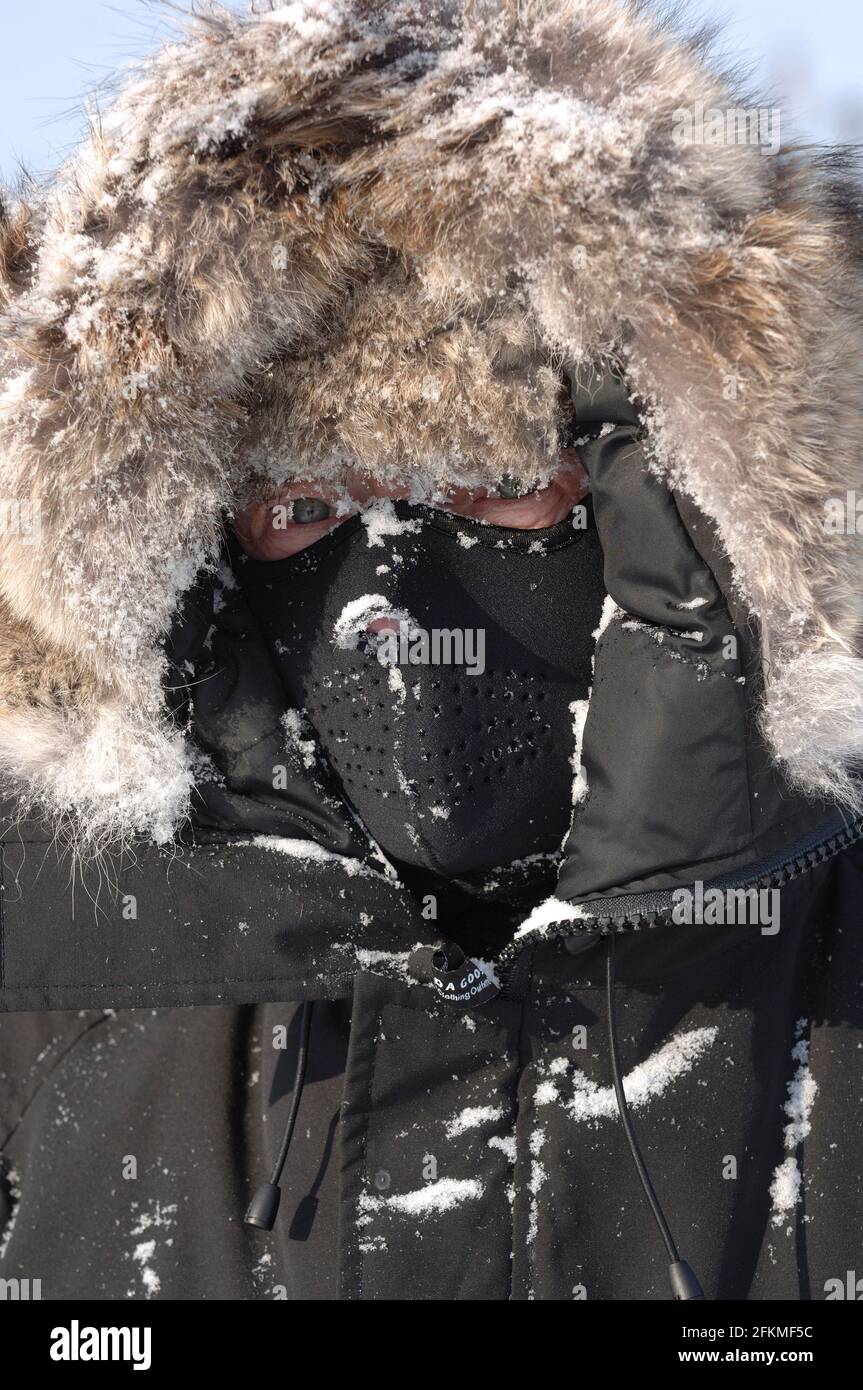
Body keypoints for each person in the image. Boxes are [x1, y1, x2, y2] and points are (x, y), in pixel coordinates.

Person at [0, 0, 861, 1302]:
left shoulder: (829, 923)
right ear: (186, 557)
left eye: (497, 486)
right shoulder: (42, 960)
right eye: (303, 512)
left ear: (661, 495)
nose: (392, 607)